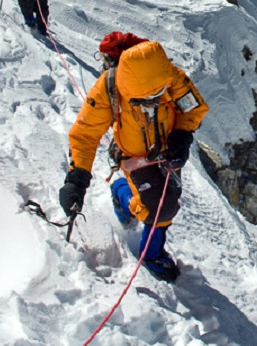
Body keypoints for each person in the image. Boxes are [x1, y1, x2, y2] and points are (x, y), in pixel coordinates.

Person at [59, 32, 209, 281]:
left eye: (157, 94)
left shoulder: (169, 75)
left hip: (167, 150)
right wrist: (76, 178)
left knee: (169, 197)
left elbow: (193, 107)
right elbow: (85, 134)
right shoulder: (109, 87)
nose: (151, 101)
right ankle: (151, 252)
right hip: (134, 156)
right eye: (143, 99)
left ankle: (122, 193)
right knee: (159, 208)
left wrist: (182, 135)